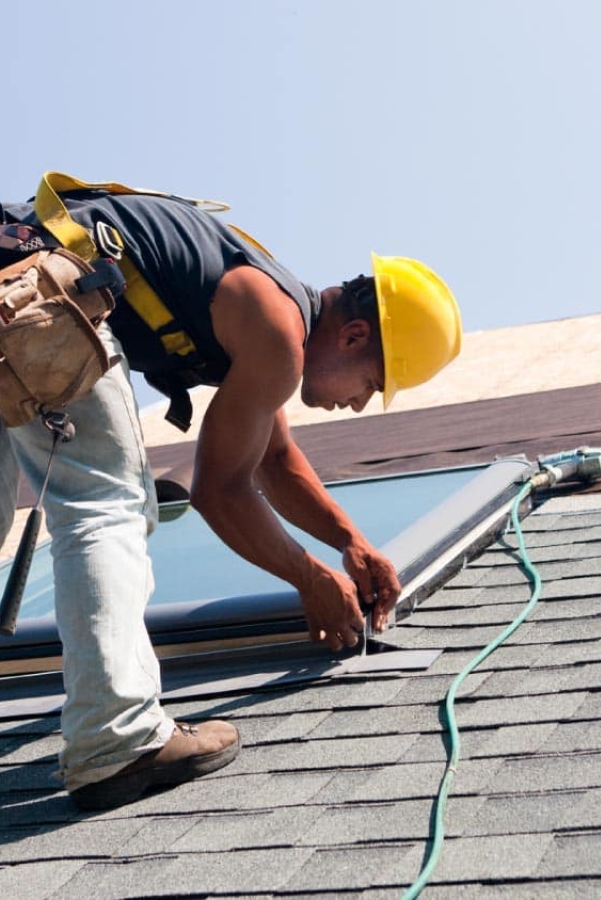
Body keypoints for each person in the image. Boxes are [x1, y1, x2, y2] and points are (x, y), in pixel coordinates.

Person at [0, 180, 462, 810]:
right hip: (38, 295)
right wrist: (309, 577)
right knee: (108, 505)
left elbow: (273, 458)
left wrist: (351, 543)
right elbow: (219, 492)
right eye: (370, 384)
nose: (357, 402)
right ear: (354, 337)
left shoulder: (271, 306)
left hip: (16, 282)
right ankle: (117, 740)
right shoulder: (278, 333)